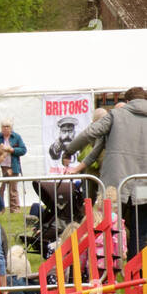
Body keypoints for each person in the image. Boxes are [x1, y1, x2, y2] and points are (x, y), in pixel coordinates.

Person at [63, 87, 147, 258]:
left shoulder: (116, 115)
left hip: (116, 183)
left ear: (128, 101)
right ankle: (137, 273)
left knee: (108, 226)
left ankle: (109, 267)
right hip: (144, 183)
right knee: (142, 229)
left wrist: (69, 151)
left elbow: (89, 133)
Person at [0, 119, 27, 213]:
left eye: (8, 127)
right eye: (4, 127)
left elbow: (23, 150)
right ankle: (0, 209)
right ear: (1, 128)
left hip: (13, 166)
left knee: (13, 190)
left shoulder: (17, 137)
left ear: (11, 128)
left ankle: (14, 209)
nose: (6, 129)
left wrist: (11, 150)